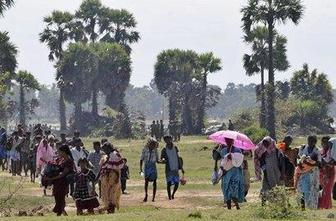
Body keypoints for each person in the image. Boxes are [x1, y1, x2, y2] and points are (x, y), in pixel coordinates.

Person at [44, 144, 75, 216]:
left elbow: (62, 175)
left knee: (60, 198)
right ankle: (63, 214)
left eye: (59, 152)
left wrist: (50, 178)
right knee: (58, 198)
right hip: (57, 182)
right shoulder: (62, 160)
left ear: (64, 152)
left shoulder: (69, 161)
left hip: (63, 183)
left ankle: (59, 214)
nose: (58, 153)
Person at [214, 138, 244, 209]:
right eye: (227, 141)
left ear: (233, 141)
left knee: (234, 189)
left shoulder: (238, 150)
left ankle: (237, 206)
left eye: (230, 140)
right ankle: (229, 207)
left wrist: (233, 158)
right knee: (226, 188)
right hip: (226, 173)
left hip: (235, 173)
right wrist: (222, 169)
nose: (228, 142)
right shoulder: (223, 151)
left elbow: (239, 161)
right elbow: (222, 161)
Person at [254, 136, 285, 205]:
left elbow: (282, 162)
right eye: (264, 144)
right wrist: (265, 174)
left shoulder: (277, 151)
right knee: (265, 189)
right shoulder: (263, 153)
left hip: (277, 173)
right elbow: (262, 165)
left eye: (267, 143)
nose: (266, 145)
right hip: (267, 174)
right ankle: (263, 205)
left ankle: (282, 205)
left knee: (279, 188)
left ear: (271, 143)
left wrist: (282, 174)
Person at [297, 135, 321, 210]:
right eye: (309, 140)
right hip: (303, 172)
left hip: (313, 173)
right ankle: (302, 207)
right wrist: (300, 165)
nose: (310, 142)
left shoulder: (317, 150)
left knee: (313, 190)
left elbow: (319, 163)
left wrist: (309, 164)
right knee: (302, 189)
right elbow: (299, 158)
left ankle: (312, 207)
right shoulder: (303, 148)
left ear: (315, 142)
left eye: (312, 141)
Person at [99, 142, 124, 214]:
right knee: (106, 194)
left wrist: (116, 177)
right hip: (106, 178)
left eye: (105, 149)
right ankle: (108, 209)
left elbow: (119, 166)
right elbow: (102, 168)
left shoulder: (115, 155)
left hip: (113, 177)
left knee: (112, 194)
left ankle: (111, 210)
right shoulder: (105, 156)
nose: (104, 151)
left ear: (108, 148)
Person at [161, 135, 184, 200]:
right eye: (166, 140)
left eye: (169, 139)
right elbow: (162, 158)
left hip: (175, 168)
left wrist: (181, 167)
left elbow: (178, 157)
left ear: (171, 139)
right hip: (169, 169)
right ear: (165, 141)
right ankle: (169, 197)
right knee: (169, 183)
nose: (168, 141)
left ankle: (173, 194)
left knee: (177, 183)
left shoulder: (175, 148)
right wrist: (163, 160)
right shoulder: (164, 150)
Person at [318, 137, 336, 209]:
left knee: (328, 189)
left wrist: (324, 162)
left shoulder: (333, 152)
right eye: (323, 142)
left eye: (327, 143)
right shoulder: (322, 151)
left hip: (330, 173)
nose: (325, 144)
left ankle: (327, 206)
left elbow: (332, 162)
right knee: (324, 189)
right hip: (322, 173)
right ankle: (323, 205)